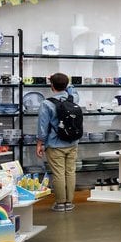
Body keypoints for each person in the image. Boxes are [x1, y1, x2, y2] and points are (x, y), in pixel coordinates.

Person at [36, 73, 82, 212]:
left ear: (51, 85)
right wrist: (67, 83)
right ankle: (69, 202)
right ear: (66, 86)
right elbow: (72, 89)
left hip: (55, 144)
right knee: (70, 172)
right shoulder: (73, 98)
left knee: (58, 173)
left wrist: (40, 143)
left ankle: (60, 203)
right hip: (73, 142)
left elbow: (43, 127)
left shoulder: (46, 103)